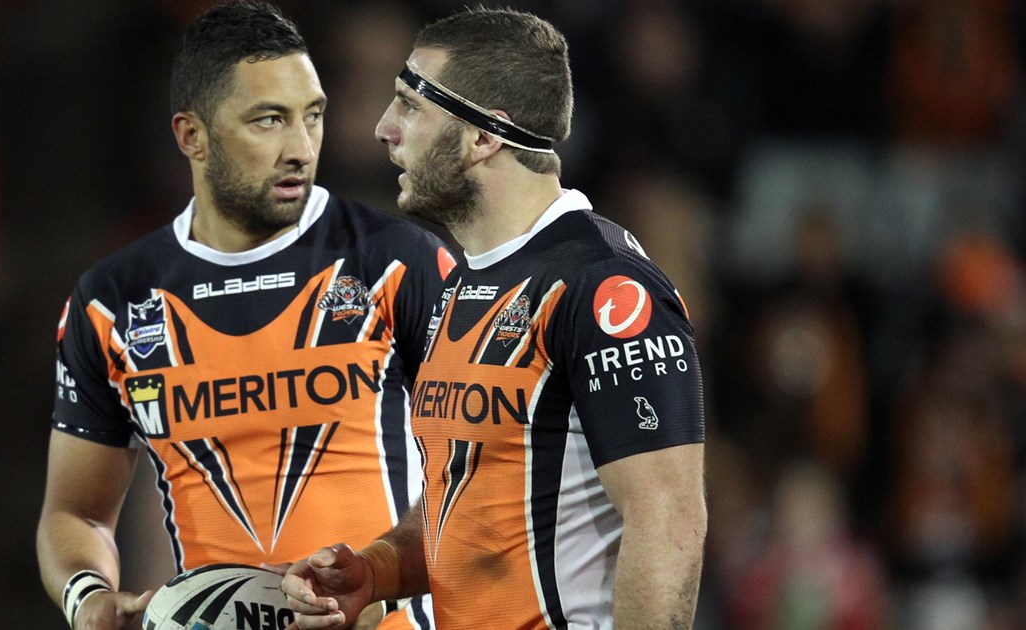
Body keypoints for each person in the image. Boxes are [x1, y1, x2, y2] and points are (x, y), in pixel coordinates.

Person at [278, 8, 707, 629]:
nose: (384, 129)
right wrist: (374, 571)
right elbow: (475, 504)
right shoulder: (463, 283)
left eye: (410, 106)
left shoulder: (604, 287)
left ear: (484, 136)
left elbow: (669, 522)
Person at [36, 2, 451, 629]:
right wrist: (88, 597)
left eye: (312, 117)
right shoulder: (113, 302)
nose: (300, 148)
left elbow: (488, 469)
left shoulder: (396, 263)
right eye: (268, 121)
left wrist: (379, 573)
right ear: (191, 136)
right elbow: (77, 511)